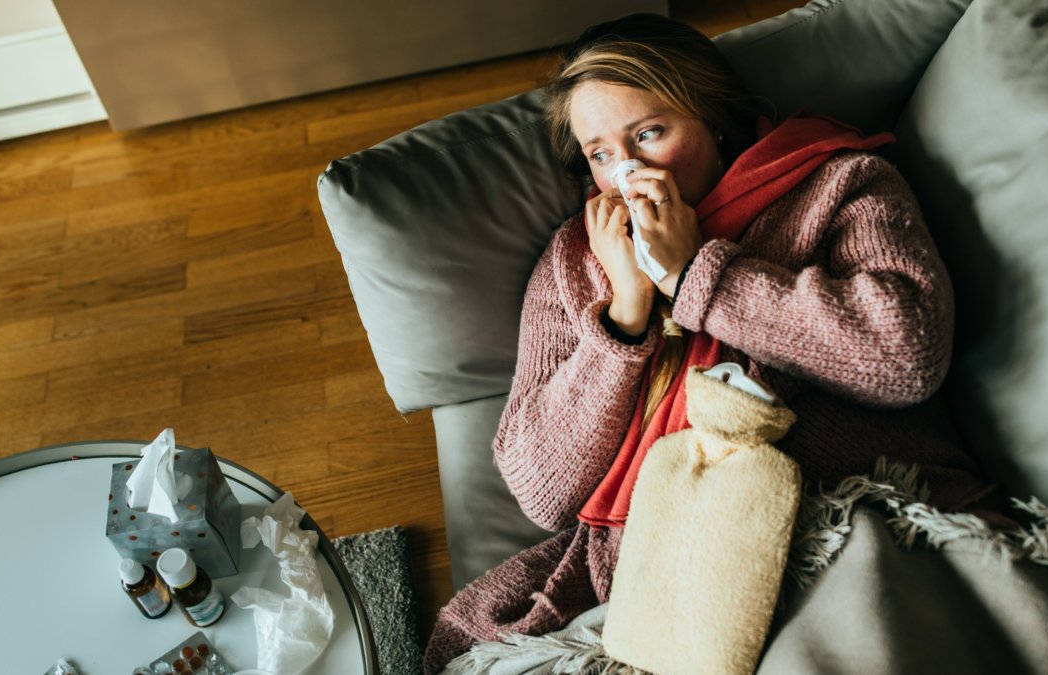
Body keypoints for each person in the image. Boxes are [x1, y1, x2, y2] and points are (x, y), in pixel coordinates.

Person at [422, 13, 1003, 673]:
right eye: (600, 154)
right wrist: (626, 315)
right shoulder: (575, 260)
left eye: (649, 133)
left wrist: (695, 275)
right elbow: (540, 488)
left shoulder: (838, 184)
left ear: (713, 119)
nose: (627, 171)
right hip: (656, 569)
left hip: (843, 519)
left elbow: (907, 356)